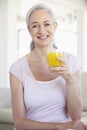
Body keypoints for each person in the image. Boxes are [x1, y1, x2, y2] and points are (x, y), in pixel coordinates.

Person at [9, 3, 86, 130]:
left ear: (55, 26)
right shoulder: (17, 68)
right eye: (35, 26)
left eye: (46, 24)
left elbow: (76, 116)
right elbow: (19, 123)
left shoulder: (71, 61)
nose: (42, 31)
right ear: (29, 30)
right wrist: (59, 126)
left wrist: (69, 80)